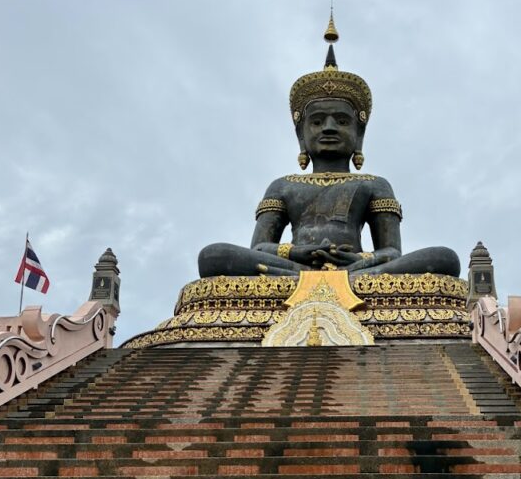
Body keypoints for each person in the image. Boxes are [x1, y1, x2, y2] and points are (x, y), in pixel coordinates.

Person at [197, 14, 460, 280]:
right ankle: (307, 275)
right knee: (213, 256)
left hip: (357, 269)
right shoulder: (283, 186)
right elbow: (260, 248)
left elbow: (391, 252)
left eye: (342, 121)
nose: (330, 128)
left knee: (444, 259)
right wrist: (295, 253)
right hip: (294, 267)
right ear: (301, 135)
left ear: (359, 135)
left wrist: (359, 260)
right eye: (318, 121)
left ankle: (333, 276)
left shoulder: (375, 184)